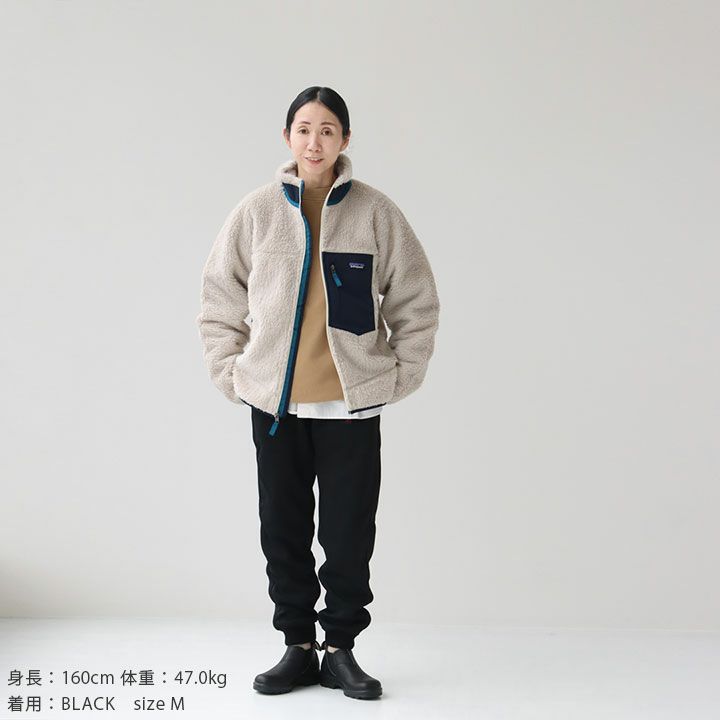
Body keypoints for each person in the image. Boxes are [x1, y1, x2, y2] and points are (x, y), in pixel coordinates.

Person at [196, 86, 440, 700]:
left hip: (349, 408)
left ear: (345, 140)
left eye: (327, 130)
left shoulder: (376, 213)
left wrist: (400, 374)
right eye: (304, 129)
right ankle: (298, 646)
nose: (314, 141)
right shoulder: (257, 211)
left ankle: (341, 650)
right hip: (275, 406)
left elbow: (416, 298)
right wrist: (232, 372)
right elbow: (220, 296)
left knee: (348, 533)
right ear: (288, 137)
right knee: (282, 529)